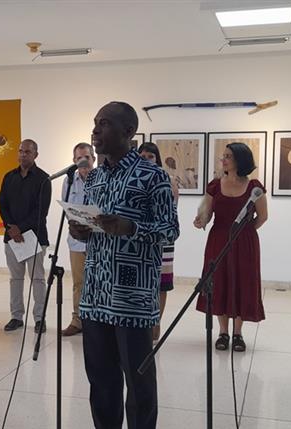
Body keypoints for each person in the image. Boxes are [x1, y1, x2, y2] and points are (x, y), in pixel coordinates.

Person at [69, 102, 179, 429]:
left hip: (131, 297)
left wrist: (131, 227)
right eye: (95, 122)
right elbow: (93, 225)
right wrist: (81, 230)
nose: (95, 130)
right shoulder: (95, 178)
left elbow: (170, 229)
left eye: (104, 123)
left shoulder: (153, 176)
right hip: (95, 295)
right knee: (101, 382)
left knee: (138, 382)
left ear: (128, 132)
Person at [194, 142, 268, 352]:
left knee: (242, 283)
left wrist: (245, 233)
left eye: (228, 156)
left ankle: (238, 333)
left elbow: (263, 216)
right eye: (223, 156)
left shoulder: (254, 187)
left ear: (240, 160)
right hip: (218, 240)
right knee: (219, 282)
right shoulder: (215, 185)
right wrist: (201, 220)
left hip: (245, 243)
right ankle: (223, 332)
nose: (223, 160)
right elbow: (207, 212)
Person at [0, 139, 51, 333]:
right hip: (12, 238)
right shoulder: (9, 177)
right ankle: (16, 317)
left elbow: (41, 211)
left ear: (36, 155)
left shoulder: (44, 179)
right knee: (15, 279)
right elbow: (2, 204)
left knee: (37, 279)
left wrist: (19, 228)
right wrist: (11, 227)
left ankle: (39, 319)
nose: (23, 155)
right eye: (20, 151)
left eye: (27, 152)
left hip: (34, 237)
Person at [138, 142, 180, 341]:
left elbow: (171, 213)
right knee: (143, 282)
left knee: (161, 284)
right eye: (143, 156)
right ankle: (143, 322)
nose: (147, 160)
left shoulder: (168, 181)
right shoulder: (135, 180)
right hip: (141, 239)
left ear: (157, 159)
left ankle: (156, 323)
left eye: (151, 157)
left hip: (163, 240)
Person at [61, 142, 95, 337]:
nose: (83, 161)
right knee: (78, 283)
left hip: (97, 240)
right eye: (79, 158)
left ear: (94, 159)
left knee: (97, 282)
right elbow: (67, 208)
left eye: (87, 157)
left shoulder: (102, 179)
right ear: (74, 161)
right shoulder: (69, 181)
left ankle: (96, 323)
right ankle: (78, 320)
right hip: (76, 241)